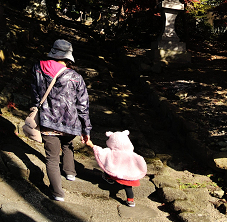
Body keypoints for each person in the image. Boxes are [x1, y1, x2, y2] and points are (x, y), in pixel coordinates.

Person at [30, 39, 92, 201]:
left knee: (51, 158)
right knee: (67, 144)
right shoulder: (76, 77)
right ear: (68, 57)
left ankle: (58, 193)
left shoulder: (38, 68)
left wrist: (37, 108)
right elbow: (83, 106)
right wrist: (86, 129)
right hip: (70, 122)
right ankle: (70, 173)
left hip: (48, 121)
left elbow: (35, 93)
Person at [86, 130, 147, 207]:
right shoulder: (132, 154)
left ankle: (108, 178)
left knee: (106, 165)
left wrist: (92, 145)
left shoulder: (111, 152)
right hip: (128, 175)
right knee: (128, 187)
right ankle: (130, 200)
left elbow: (101, 153)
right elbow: (140, 160)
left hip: (115, 174)